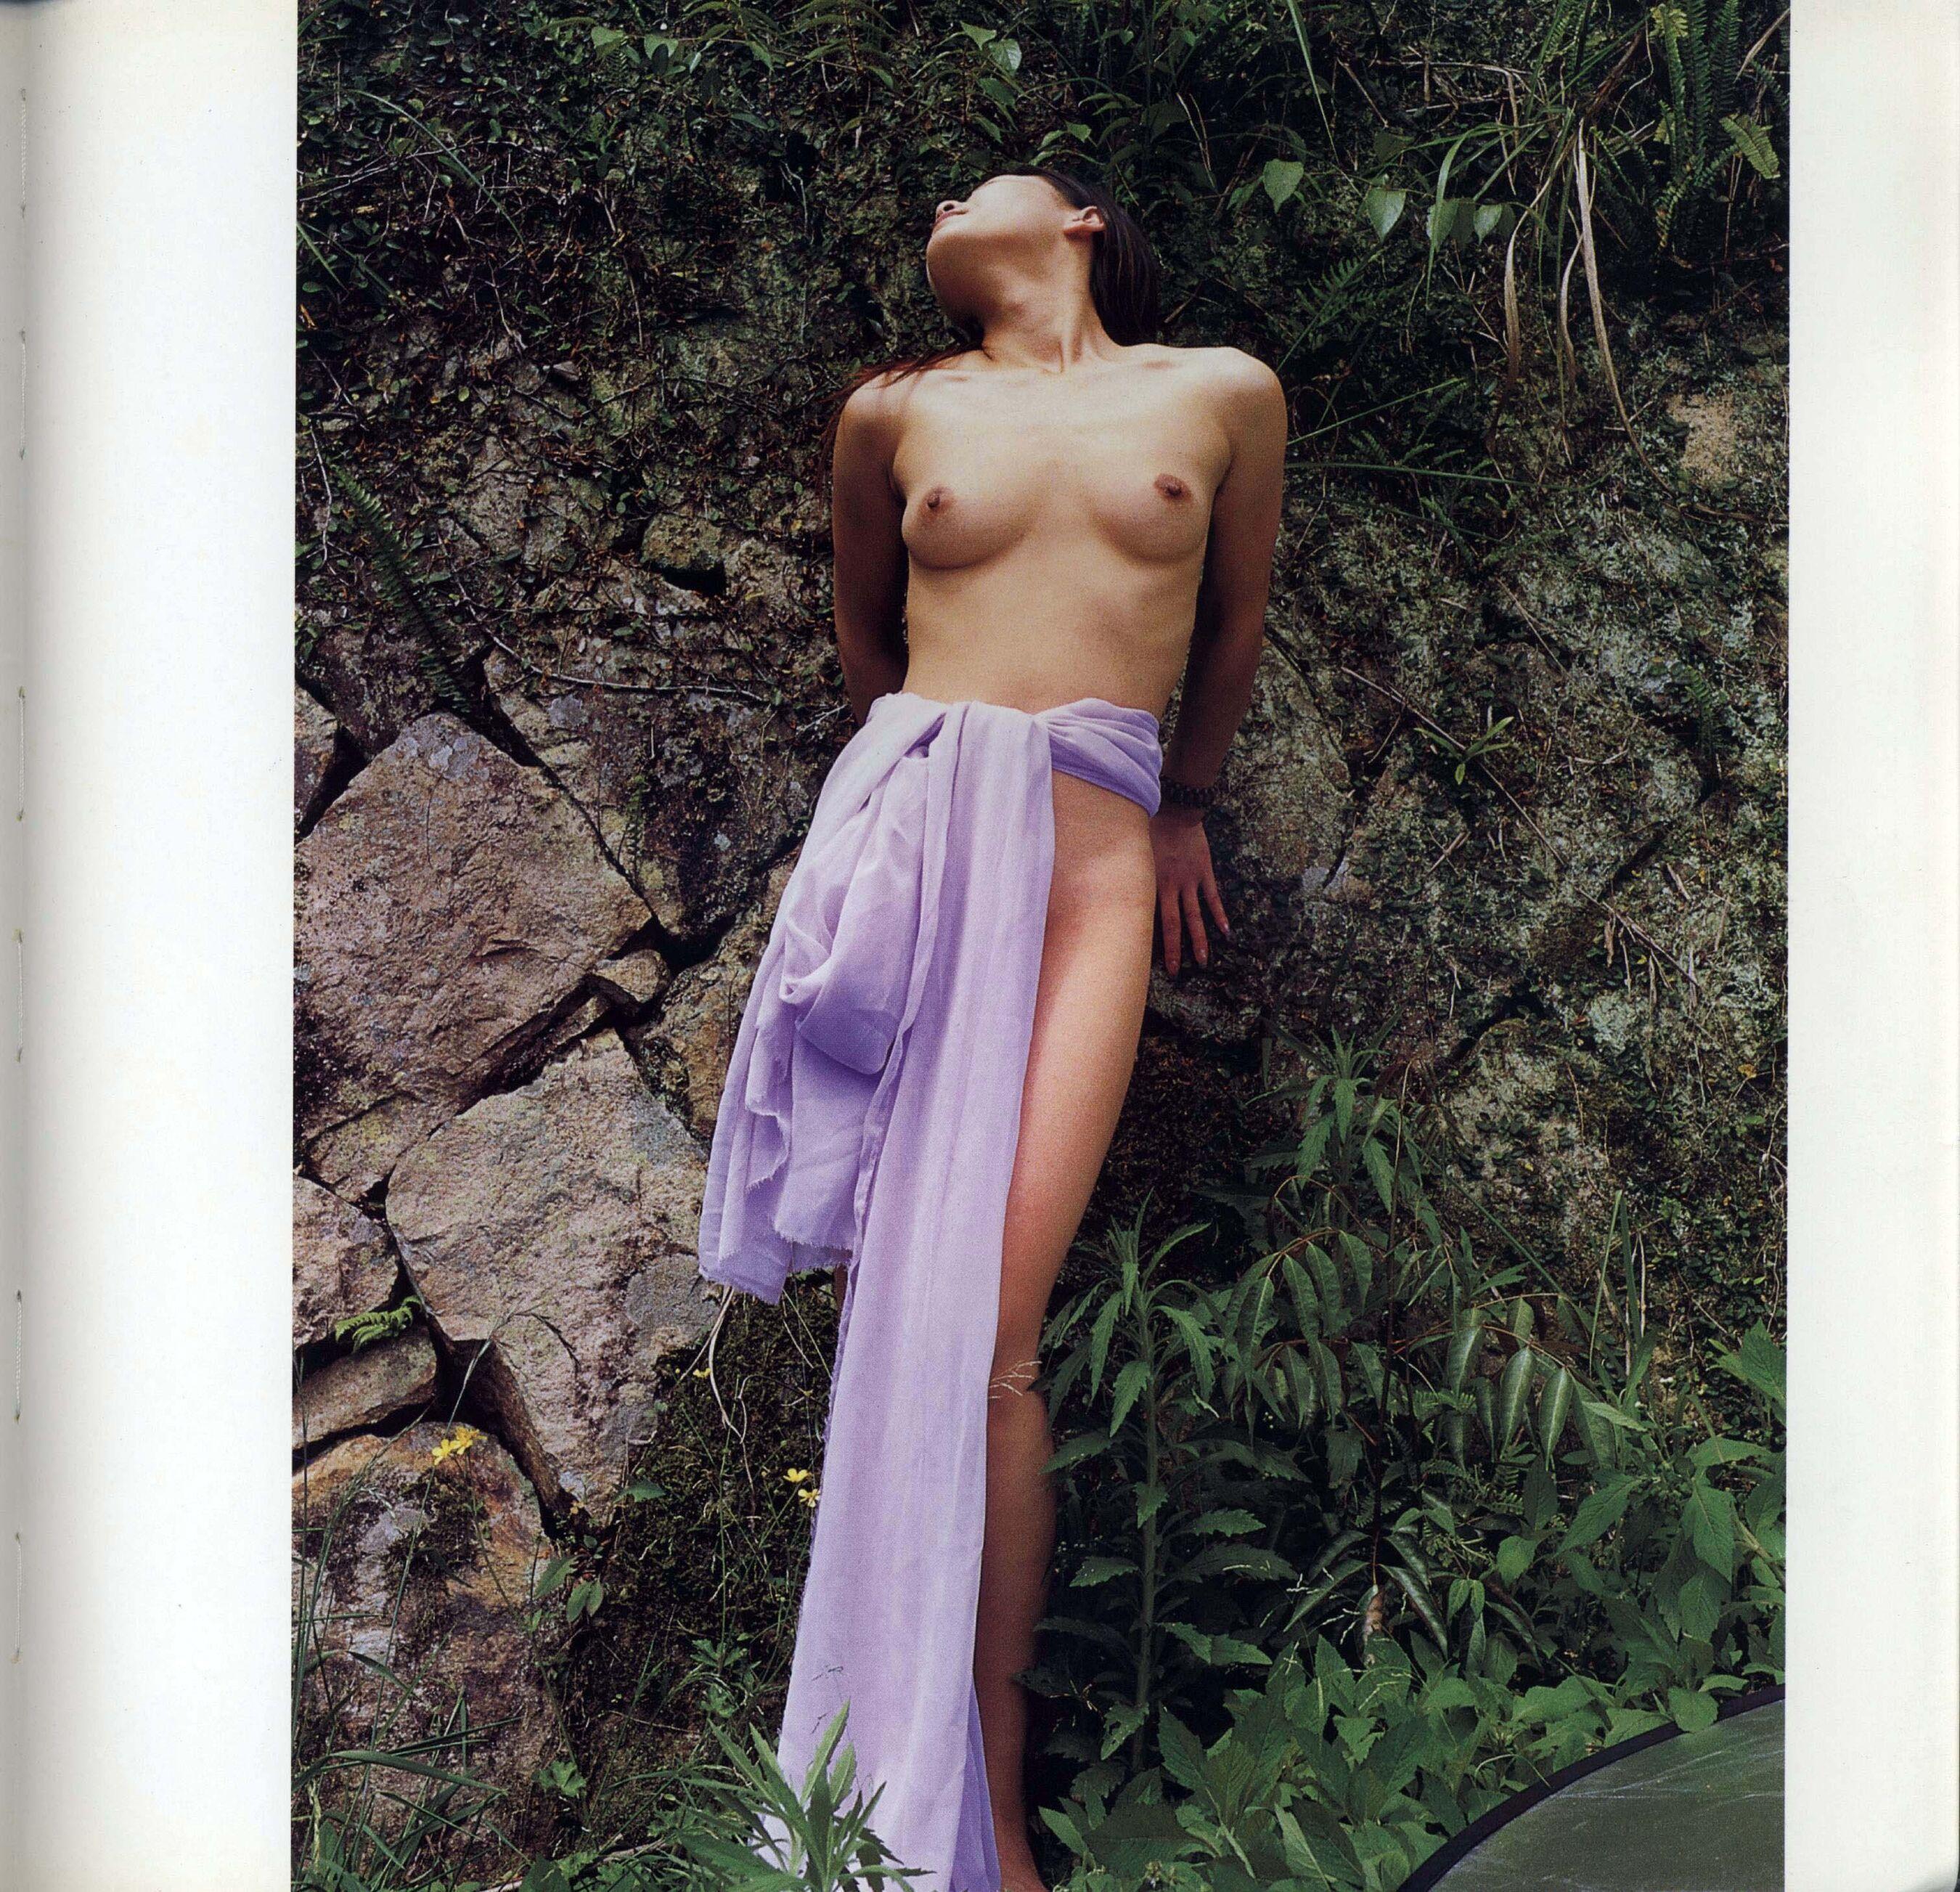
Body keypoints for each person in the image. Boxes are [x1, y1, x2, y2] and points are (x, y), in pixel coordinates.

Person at [697, 166, 1285, 1892]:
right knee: (917, 1321)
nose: (945, 198)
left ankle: (990, 1813)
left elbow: (1233, 621)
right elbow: (866, 632)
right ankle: (930, 1806)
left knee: (996, 1344)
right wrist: (924, 808)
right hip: (921, 846)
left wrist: (1187, 806)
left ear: (1083, 219)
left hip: (1099, 871)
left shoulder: (1220, 392)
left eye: (983, 182)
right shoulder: (895, 413)